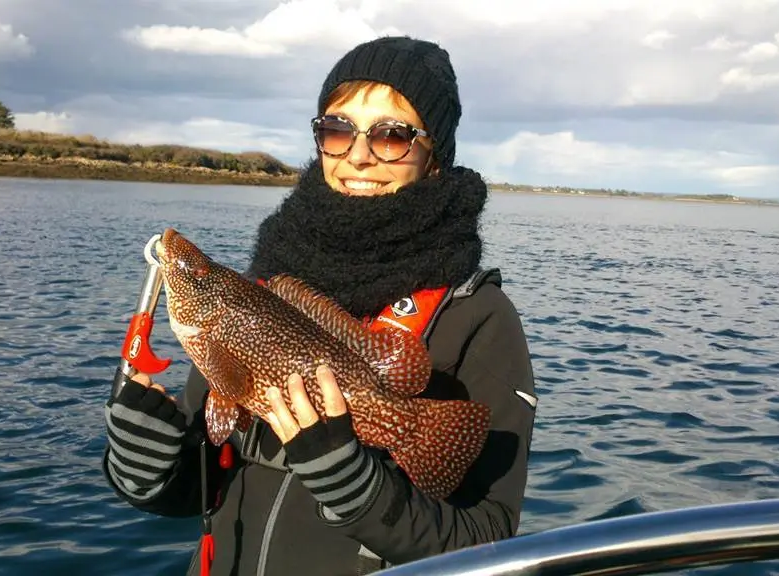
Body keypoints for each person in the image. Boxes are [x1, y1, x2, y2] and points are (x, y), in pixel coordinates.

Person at [102, 34, 539, 576]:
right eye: (337, 129)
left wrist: (363, 495)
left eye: (391, 135)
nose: (358, 154)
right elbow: (203, 481)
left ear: (433, 157)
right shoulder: (259, 288)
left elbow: (490, 541)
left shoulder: (478, 315)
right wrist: (149, 468)